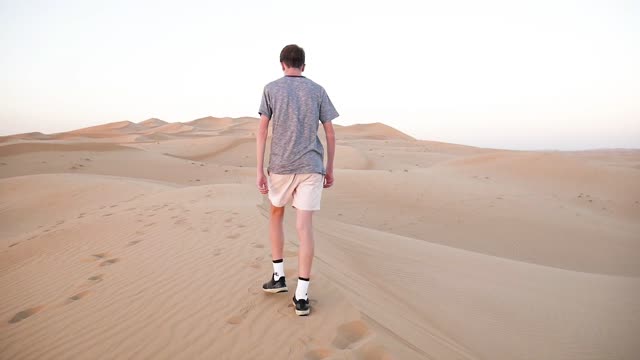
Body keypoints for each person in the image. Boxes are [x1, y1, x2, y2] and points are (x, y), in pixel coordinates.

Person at [255, 44, 338, 316]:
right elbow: (330, 133)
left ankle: (279, 276)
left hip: (281, 165)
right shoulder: (317, 90)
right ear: (303, 65)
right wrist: (330, 167)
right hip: (312, 166)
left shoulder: (271, 88)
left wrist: (259, 169)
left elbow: (262, 131)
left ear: (282, 64)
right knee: (305, 227)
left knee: (276, 215)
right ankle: (301, 296)